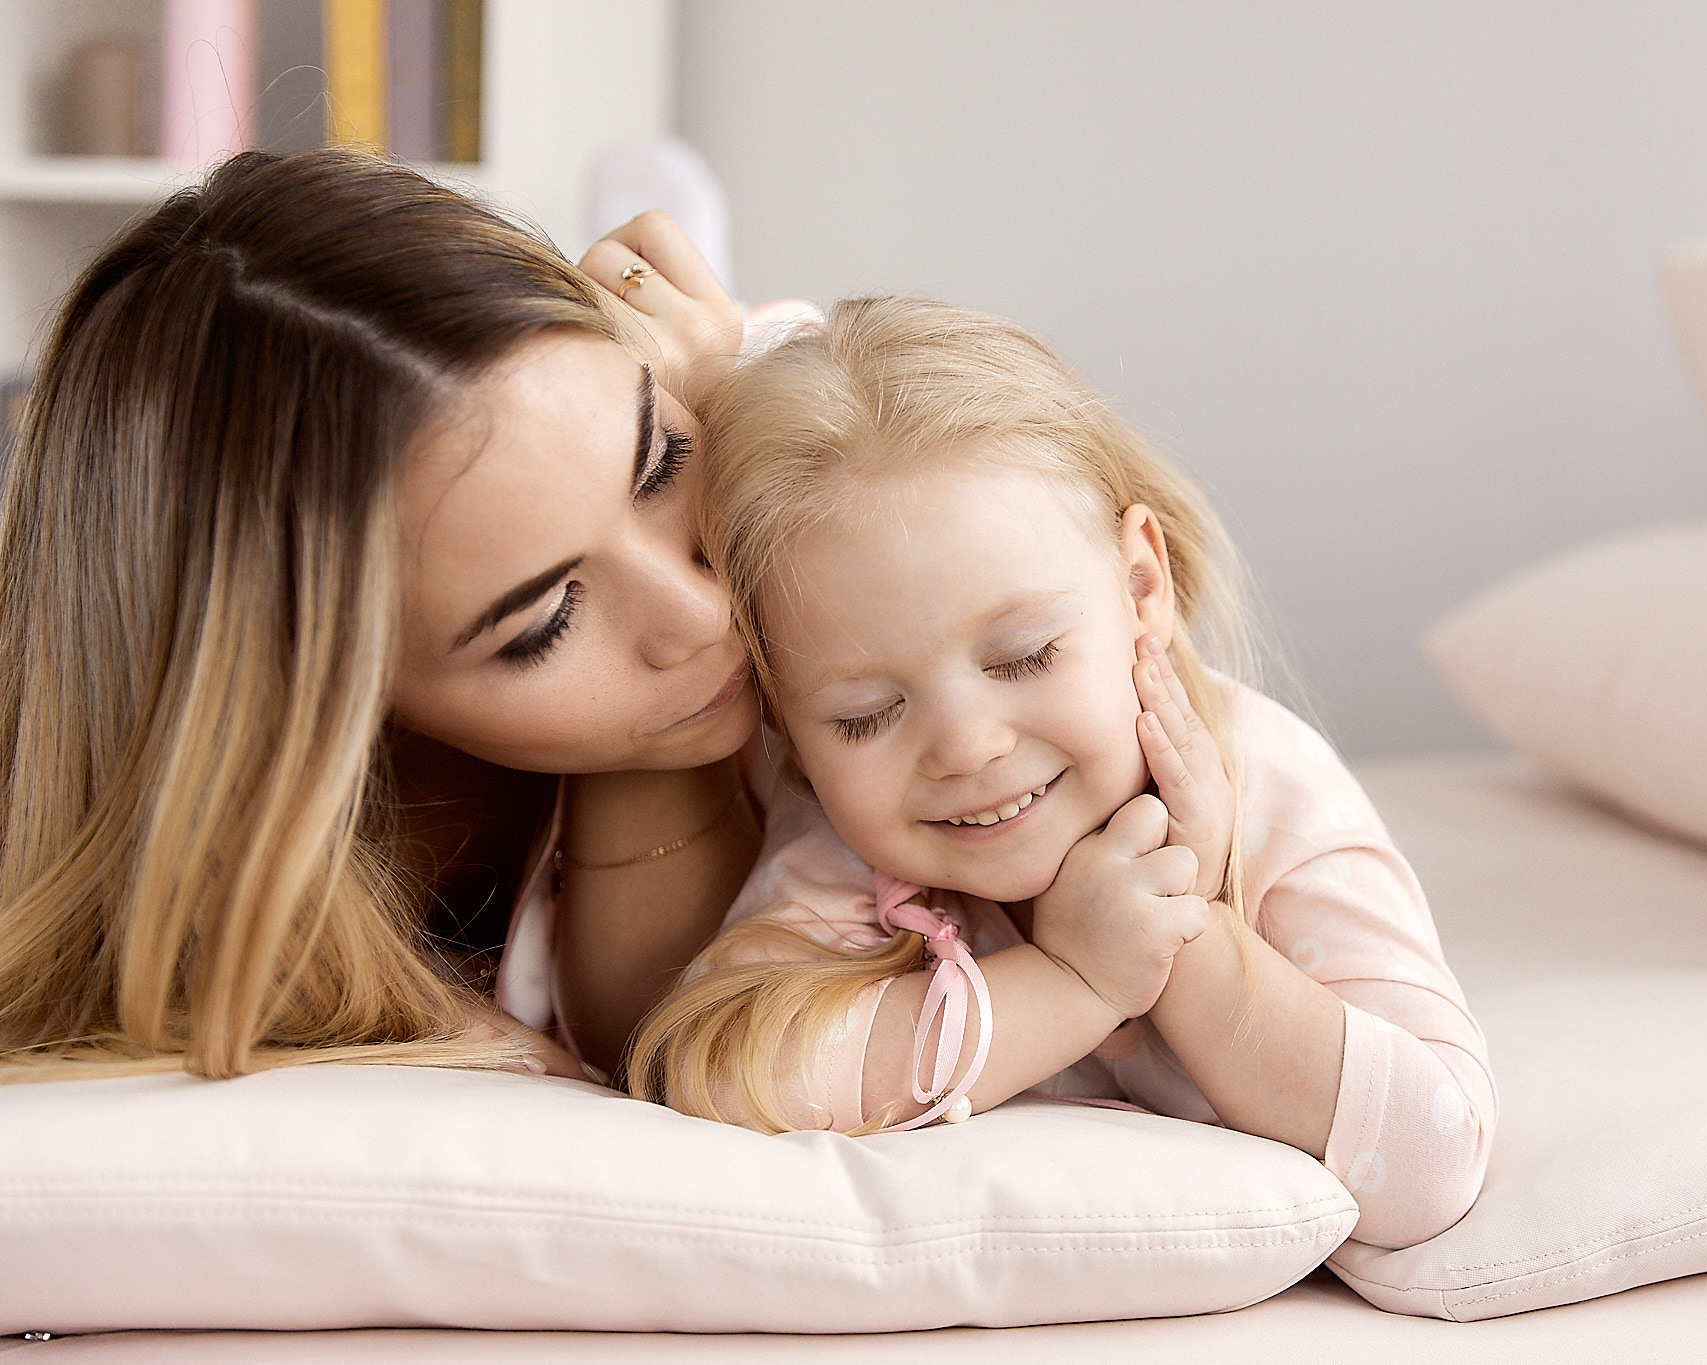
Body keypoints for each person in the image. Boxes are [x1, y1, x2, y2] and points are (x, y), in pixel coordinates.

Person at [626, 297, 1496, 1245]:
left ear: (1140, 588)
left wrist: (1179, 939)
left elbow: (1430, 1159)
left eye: (1025, 657)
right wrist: (1074, 980)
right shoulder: (851, 846)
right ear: (793, 737)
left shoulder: (1269, 786)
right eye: (864, 715)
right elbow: (711, 1073)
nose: (967, 747)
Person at [0, 146, 765, 1083]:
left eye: (661, 465)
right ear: (318, 700)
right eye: (544, 624)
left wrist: (729, 401)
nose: (700, 610)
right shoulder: (276, 927)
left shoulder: (767, 424)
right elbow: (667, 1065)